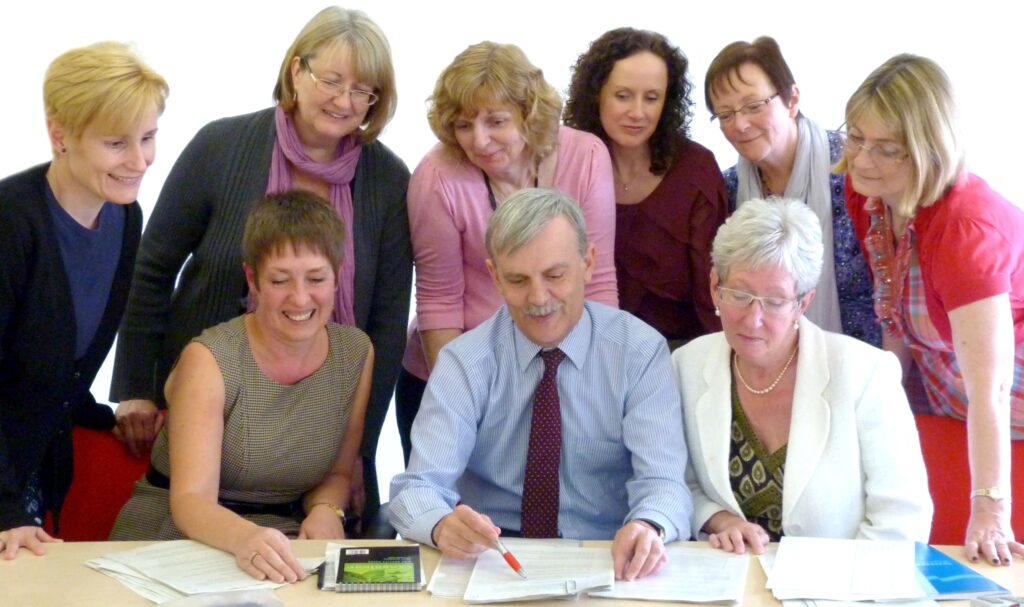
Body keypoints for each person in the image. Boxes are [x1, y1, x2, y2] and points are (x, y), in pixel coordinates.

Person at [109, 6, 410, 525]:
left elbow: (386, 321)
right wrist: (135, 387)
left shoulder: (388, 179)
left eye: (363, 90)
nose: (343, 101)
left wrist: (358, 452)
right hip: (203, 406)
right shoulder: (221, 146)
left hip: (317, 439)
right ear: (296, 70)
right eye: (331, 80)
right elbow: (152, 268)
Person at [390, 188, 691, 581]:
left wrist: (649, 526)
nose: (538, 298)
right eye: (517, 279)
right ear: (494, 276)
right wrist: (441, 525)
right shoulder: (465, 361)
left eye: (554, 275)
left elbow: (664, 483)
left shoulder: (639, 351)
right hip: (495, 557)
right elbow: (416, 488)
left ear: (588, 263)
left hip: (607, 555)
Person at [110, 191, 372, 584]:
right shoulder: (209, 357)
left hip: (284, 537)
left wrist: (327, 510)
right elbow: (190, 501)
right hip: (181, 532)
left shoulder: (356, 352)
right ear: (253, 279)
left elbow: (337, 473)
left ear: (338, 273)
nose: (300, 298)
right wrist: (247, 538)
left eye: (316, 278)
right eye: (280, 280)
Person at [839, 54, 1024, 566]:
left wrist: (990, 507)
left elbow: (993, 387)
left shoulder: (966, 229)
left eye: (886, 149)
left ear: (928, 150)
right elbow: (893, 308)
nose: (862, 160)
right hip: (950, 384)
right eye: (855, 138)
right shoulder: (868, 192)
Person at [396, 41, 618, 463]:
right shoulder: (437, 176)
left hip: (563, 377)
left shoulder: (586, 156)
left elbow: (599, 281)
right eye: (463, 125)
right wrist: (459, 405)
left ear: (529, 114)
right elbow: (439, 302)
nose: (478, 141)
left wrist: (593, 388)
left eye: (496, 121)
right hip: (456, 375)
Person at [674, 197, 932, 555]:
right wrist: (718, 519)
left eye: (775, 300)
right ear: (715, 284)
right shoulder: (685, 365)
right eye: (740, 294)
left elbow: (903, 519)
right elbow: (677, 478)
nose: (753, 318)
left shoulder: (866, 373)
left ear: (803, 302)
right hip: (727, 585)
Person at [0, 42, 168, 559]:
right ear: (60, 135)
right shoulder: (11, 221)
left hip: (32, 458)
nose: (138, 161)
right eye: (117, 143)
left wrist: (93, 413)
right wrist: (6, 507)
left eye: (148, 137)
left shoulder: (125, 218)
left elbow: (60, 360)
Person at [704, 36, 878, 347]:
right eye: (726, 115)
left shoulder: (853, 167)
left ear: (792, 99)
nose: (740, 125)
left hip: (861, 354)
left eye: (753, 106)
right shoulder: (728, 190)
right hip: (767, 358)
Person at [564, 27, 727, 348]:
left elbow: (715, 294)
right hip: (584, 346)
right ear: (596, 93)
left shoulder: (696, 170)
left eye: (651, 98)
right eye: (623, 95)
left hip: (684, 350)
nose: (637, 112)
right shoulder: (569, 163)